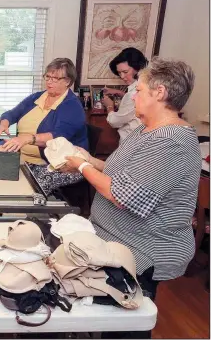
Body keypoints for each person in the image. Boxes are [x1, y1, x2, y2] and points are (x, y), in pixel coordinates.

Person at [63, 57, 201, 338]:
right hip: (112, 241)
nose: (133, 95)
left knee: (126, 329)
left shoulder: (171, 142)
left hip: (142, 253)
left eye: (139, 90)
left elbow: (120, 194)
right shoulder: (145, 130)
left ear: (159, 93)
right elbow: (119, 175)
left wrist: (82, 166)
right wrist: (91, 160)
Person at [0, 58, 88, 165]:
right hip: (22, 157)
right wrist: (3, 125)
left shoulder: (73, 107)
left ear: (67, 81)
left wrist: (27, 139)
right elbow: (12, 114)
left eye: (55, 78)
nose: (49, 81)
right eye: (47, 77)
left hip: (55, 165)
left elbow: (58, 137)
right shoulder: (37, 97)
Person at [101, 47, 148, 142]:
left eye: (125, 72)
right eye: (119, 73)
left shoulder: (132, 95)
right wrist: (120, 93)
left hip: (130, 142)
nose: (122, 76)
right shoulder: (146, 86)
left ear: (137, 68)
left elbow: (114, 122)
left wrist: (109, 106)